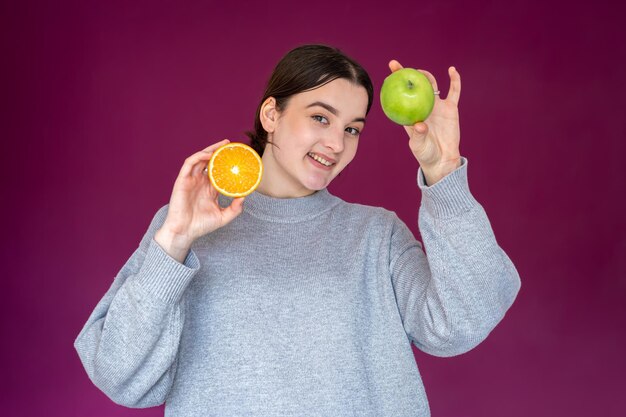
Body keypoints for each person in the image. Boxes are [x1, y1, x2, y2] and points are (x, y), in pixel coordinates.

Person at [75, 44, 520, 417]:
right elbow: (121, 376)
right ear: (271, 113)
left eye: (352, 129)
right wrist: (173, 243)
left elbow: (462, 322)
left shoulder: (375, 236)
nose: (337, 144)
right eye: (321, 118)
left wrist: (443, 172)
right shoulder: (186, 228)